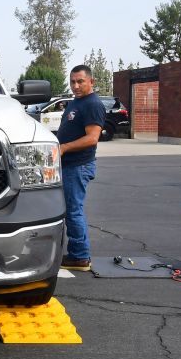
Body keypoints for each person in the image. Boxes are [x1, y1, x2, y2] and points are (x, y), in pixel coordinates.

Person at [55, 65, 106, 271]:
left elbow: (92, 138)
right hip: (68, 166)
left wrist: (64, 147)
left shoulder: (92, 104)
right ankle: (78, 253)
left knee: (74, 211)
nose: (75, 86)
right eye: (73, 81)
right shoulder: (78, 102)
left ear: (91, 82)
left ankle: (79, 256)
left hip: (78, 166)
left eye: (80, 81)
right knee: (71, 209)